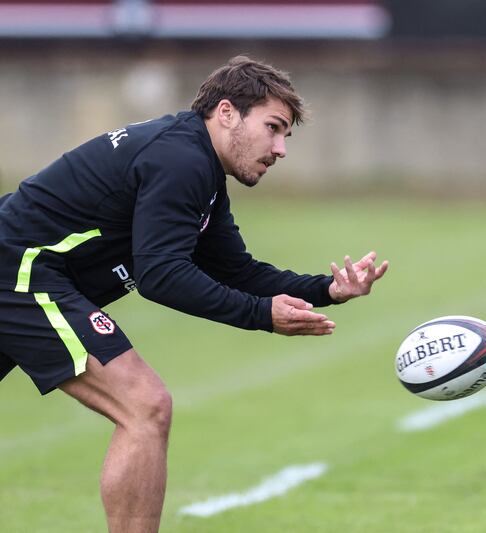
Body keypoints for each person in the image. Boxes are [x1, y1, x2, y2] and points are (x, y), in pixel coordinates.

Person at [0, 55, 388, 532]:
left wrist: (327, 289)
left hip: (22, 269)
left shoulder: (197, 169)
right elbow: (161, 275)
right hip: (21, 272)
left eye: (286, 134)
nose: (281, 148)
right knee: (145, 406)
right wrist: (261, 315)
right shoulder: (181, 160)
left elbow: (237, 270)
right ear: (226, 113)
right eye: (273, 127)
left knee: (145, 408)